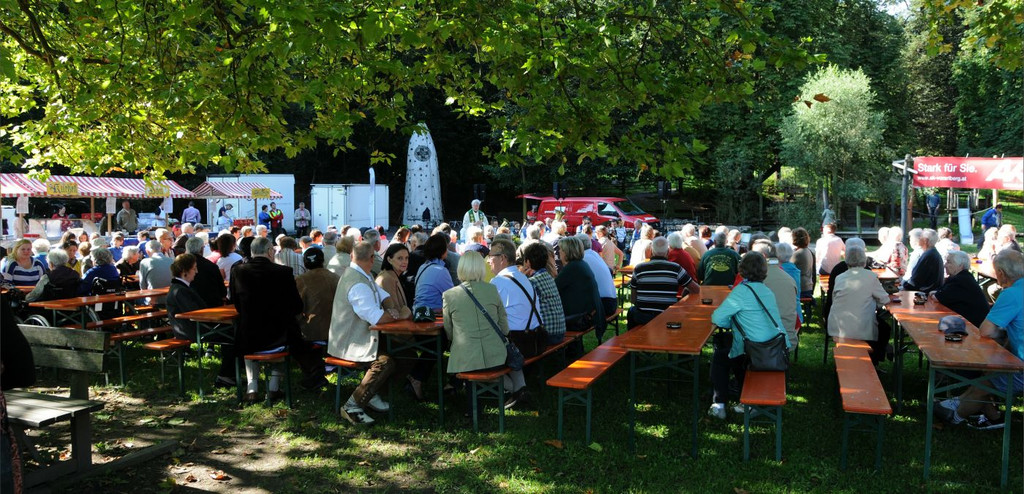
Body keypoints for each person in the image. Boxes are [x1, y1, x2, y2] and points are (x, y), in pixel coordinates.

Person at [934, 250, 1023, 429]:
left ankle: (954, 415)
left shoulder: (1011, 293)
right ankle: (989, 415)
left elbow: (986, 331)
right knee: (988, 375)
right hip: (1018, 358)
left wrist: (1001, 338)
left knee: (985, 382)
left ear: (1001, 273)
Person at [328, 241, 411, 425]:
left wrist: (391, 308)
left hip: (361, 338)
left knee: (408, 353)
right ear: (372, 258)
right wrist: (400, 314)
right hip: (350, 342)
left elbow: (383, 295)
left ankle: (371, 393)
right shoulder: (357, 283)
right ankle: (352, 406)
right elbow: (377, 318)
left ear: (351, 256)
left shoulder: (362, 275)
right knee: (385, 362)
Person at [709, 252, 790, 420]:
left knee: (720, 357)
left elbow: (717, 318)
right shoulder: (767, 291)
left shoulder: (742, 291)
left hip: (755, 352)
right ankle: (741, 393)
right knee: (732, 348)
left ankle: (719, 405)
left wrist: (731, 324)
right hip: (776, 348)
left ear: (742, 269)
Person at [443, 251, 517, 416]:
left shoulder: (449, 295)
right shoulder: (492, 289)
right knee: (478, 361)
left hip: (465, 360)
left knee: (470, 361)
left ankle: (473, 409)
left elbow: (449, 331)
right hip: (496, 357)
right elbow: (504, 328)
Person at [230, 237, 304, 403]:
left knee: (249, 338)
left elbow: (235, 302)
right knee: (287, 331)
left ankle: (252, 388)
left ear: (252, 252)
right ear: (270, 251)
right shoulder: (284, 272)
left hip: (248, 336)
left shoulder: (238, 271)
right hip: (278, 337)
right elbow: (297, 306)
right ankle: (273, 387)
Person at [165, 253, 237, 388]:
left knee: (235, 332)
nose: (197, 272)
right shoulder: (180, 290)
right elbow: (197, 314)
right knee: (233, 335)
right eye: (194, 268)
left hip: (195, 327)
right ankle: (226, 375)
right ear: (184, 272)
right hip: (191, 330)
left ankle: (230, 374)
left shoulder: (183, 288)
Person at [486, 239, 541, 409]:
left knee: (477, 351)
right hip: (536, 338)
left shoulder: (498, 282)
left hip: (519, 343)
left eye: (491, 256)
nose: (488, 261)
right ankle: (520, 389)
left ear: (502, 258)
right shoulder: (522, 277)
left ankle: (517, 390)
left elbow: (488, 317)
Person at [827, 242, 891, 364]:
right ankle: (876, 359)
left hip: (838, 326)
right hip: (861, 328)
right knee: (885, 329)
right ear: (864, 260)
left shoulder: (839, 277)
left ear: (846, 260)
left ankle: (877, 356)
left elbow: (835, 300)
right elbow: (885, 299)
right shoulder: (871, 276)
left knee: (882, 328)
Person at [628, 236, 701, 329]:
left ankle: (632, 336)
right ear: (667, 251)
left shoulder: (639, 268)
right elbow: (696, 289)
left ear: (651, 251)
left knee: (632, 310)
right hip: (667, 316)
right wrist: (685, 291)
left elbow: (633, 299)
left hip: (642, 317)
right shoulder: (676, 268)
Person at [294, 248, 339, 390]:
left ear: (304, 263)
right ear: (323, 260)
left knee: (292, 337)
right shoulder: (336, 277)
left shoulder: (301, 280)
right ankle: (317, 372)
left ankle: (314, 373)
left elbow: (296, 308)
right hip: (338, 329)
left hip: (314, 332)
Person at [555, 236, 605, 343]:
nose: (559, 252)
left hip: (583, 318)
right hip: (592, 314)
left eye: (561, 249)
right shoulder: (581, 264)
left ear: (567, 252)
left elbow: (554, 288)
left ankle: (569, 349)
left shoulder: (572, 267)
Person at [750, 241, 801, 348]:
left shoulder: (755, 279)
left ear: (763, 256)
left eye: (752, 255)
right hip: (787, 338)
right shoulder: (789, 278)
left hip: (761, 340)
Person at [929, 251, 990, 328]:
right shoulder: (961, 277)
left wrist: (934, 293)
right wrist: (936, 293)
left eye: (949, 262)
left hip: (974, 327)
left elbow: (937, 297)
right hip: (967, 322)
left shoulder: (961, 280)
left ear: (960, 266)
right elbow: (941, 292)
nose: (945, 265)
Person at [578, 234, 619, 316]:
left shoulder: (584, 258)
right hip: (612, 302)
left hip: (603, 305)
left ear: (578, 246)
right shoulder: (594, 254)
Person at [184, 237, 225, 307]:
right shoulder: (211, 266)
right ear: (201, 249)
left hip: (189, 304)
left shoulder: (182, 265)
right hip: (212, 304)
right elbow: (222, 290)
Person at [902, 228, 943, 293]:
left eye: (920, 238)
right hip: (931, 289)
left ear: (925, 241)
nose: (919, 239)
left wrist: (903, 285)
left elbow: (915, 280)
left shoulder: (928, 255)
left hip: (925, 291)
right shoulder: (933, 252)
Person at [377, 243, 412, 309]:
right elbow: (394, 310)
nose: (405, 262)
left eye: (406, 258)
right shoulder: (387, 279)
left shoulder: (394, 275)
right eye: (400, 258)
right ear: (389, 260)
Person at [139, 239, 173, 305]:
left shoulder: (145, 262)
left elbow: (142, 286)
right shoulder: (171, 260)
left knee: (135, 300)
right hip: (171, 298)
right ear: (161, 249)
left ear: (147, 251)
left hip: (153, 300)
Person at [791, 227, 816, 298]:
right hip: (809, 286)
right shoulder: (809, 251)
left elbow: (788, 267)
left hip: (801, 287)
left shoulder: (797, 254)